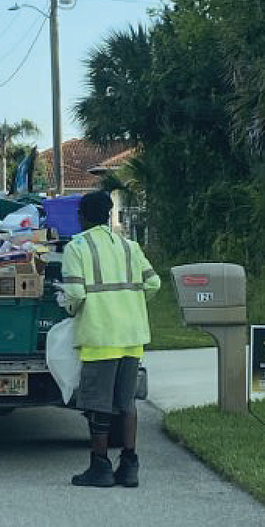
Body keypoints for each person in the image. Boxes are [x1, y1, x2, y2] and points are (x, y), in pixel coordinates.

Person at [57, 190, 160, 487]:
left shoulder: (77, 247)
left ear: (82, 217)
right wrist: (131, 303)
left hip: (100, 335)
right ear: (107, 215)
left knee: (99, 405)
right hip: (132, 335)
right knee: (126, 403)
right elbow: (153, 282)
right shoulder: (130, 246)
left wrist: (71, 308)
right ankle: (129, 466)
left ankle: (99, 466)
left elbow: (75, 294)